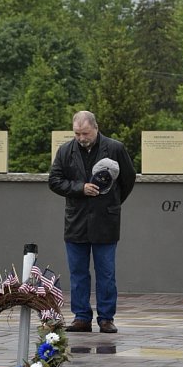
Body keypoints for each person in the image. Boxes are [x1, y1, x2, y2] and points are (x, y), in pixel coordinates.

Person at [48, 110, 136, 333]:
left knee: (106, 273)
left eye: (85, 133)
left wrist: (111, 202)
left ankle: (106, 318)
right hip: (76, 221)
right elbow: (55, 181)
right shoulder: (65, 150)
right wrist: (80, 188)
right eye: (77, 133)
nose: (81, 138)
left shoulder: (115, 148)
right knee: (78, 273)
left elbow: (128, 179)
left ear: (96, 128)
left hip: (106, 221)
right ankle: (81, 317)